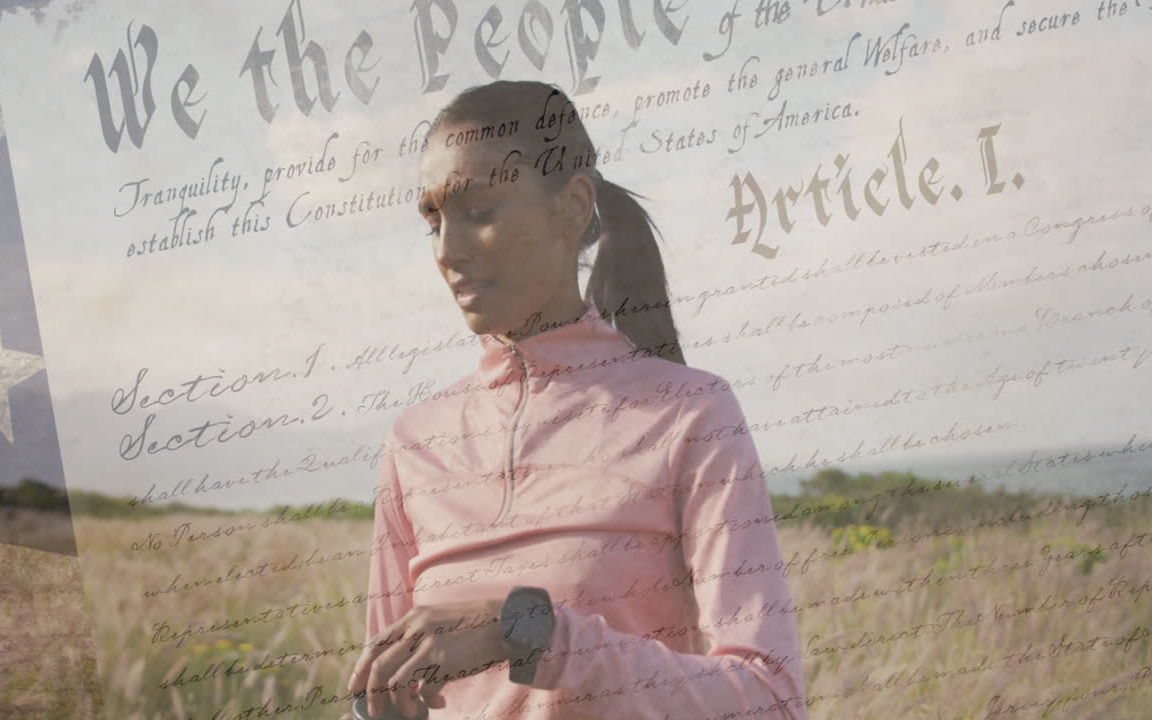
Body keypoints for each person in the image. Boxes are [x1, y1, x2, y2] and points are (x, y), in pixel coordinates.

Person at [344, 80, 807, 720]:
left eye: (479, 212)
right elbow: (381, 697)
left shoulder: (690, 414)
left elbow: (772, 700)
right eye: (433, 220)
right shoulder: (415, 442)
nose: (447, 251)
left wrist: (531, 631)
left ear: (572, 206)